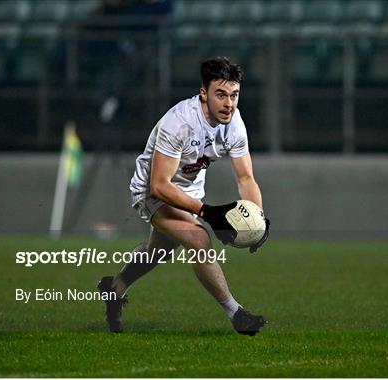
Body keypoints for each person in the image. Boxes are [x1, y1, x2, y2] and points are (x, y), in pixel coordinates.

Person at [98, 57, 270, 336]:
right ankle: (236, 313)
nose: (229, 103)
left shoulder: (234, 123)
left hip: (188, 191)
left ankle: (115, 287)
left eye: (234, 95)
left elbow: (245, 178)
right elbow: (160, 186)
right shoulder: (179, 123)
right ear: (204, 92)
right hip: (152, 189)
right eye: (221, 94)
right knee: (199, 239)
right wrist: (208, 213)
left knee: (158, 252)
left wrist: (257, 220)